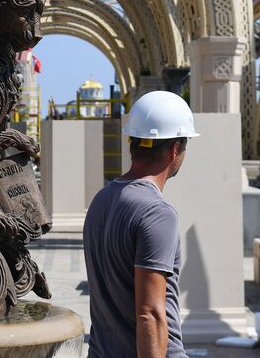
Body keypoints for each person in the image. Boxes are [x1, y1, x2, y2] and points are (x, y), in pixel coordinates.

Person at [83, 91, 200, 358]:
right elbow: (150, 313)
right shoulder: (157, 213)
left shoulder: (101, 200)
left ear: (132, 144)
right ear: (174, 150)